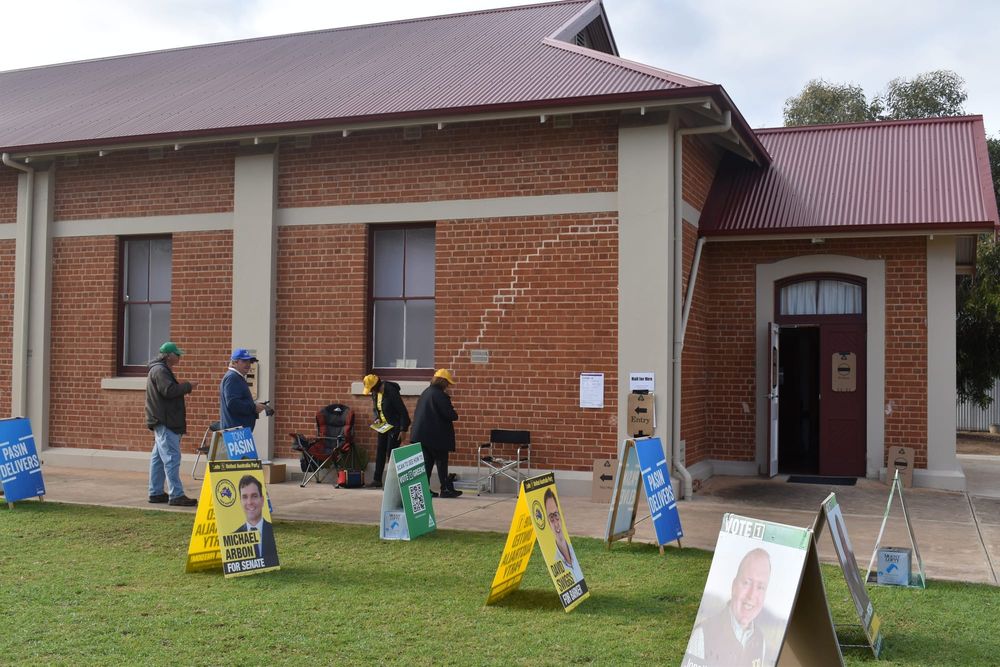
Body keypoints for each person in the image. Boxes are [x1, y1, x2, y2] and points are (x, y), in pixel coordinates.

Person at [683, 548, 772, 667]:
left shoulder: (760, 640)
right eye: (747, 583)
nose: (751, 595)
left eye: (760, 587)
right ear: (734, 586)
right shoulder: (703, 635)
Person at [145, 341, 199, 507]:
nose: (179, 357)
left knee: (158, 459)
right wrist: (188, 386)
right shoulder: (160, 370)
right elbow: (168, 391)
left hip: (161, 420)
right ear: (168, 356)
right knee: (171, 458)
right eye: (177, 354)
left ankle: (155, 492)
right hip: (165, 421)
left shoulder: (159, 369)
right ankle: (176, 495)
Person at [410, 368, 462, 498]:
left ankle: (424, 490)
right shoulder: (440, 395)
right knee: (441, 462)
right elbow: (450, 415)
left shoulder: (426, 392)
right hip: (436, 436)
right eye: (447, 383)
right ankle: (446, 489)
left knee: (427, 464)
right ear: (443, 382)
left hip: (421, 435)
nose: (448, 386)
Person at [362, 373, 410, 488]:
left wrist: (403, 429)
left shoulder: (391, 392)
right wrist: (377, 418)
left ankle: (392, 482)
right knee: (380, 451)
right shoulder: (375, 393)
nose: (371, 392)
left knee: (391, 452)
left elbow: (403, 411)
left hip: (395, 426)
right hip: (383, 426)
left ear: (376, 386)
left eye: (371, 389)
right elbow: (376, 409)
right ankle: (377, 479)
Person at [219, 348, 271, 432]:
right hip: (236, 432)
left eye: (249, 361)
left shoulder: (235, 377)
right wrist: (254, 407)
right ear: (234, 362)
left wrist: (253, 405)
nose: (248, 364)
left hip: (238, 431)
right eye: (244, 361)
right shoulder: (233, 378)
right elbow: (233, 403)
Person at [234, 475, 279, 568]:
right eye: (245, 497)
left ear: (262, 500)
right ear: (240, 501)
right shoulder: (234, 537)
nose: (249, 502)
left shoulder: (270, 532)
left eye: (254, 496)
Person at [544, 488, 584, 583]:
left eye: (556, 515)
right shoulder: (555, 562)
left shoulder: (572, 551)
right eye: (551, 518)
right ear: (548, 523)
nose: (556, 523)